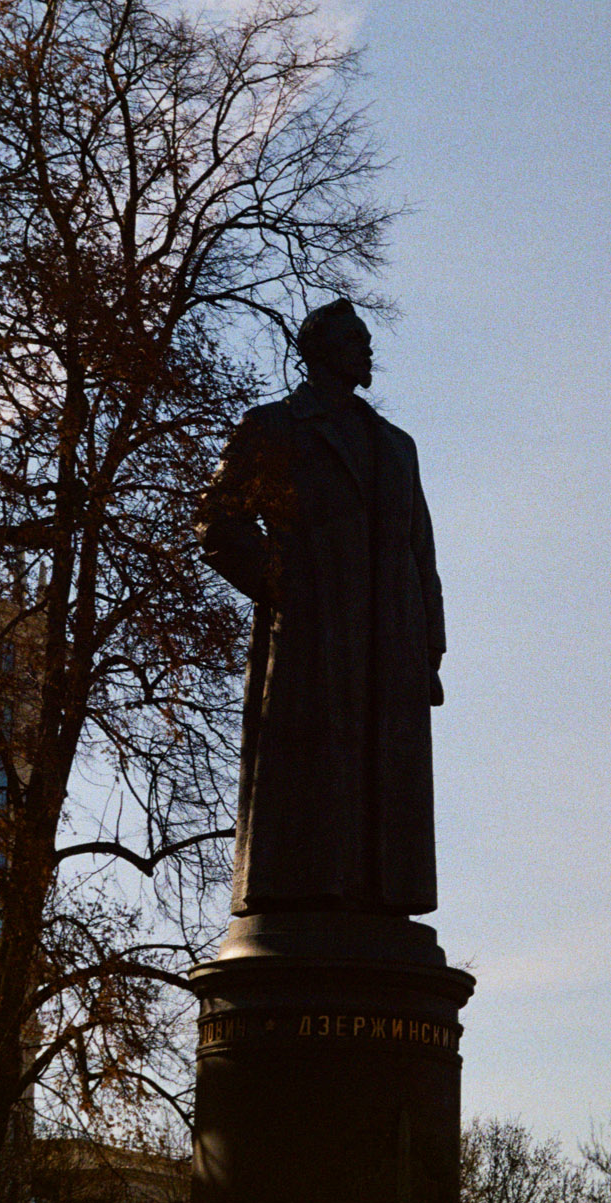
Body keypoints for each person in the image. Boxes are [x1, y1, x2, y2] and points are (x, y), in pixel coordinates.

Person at [196, 299, 445, 916]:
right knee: (311, 779)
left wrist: (429, 650)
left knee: (382, 783)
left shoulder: (397, 447)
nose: (367, 352)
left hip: (392, 644)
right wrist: (284, 588)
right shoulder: (276, 427)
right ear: (322, 351)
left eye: (367, 340)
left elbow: (422, 554)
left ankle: (380, 899)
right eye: (356, 341)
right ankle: (307, 896)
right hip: (313, 638)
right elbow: (218, 518)